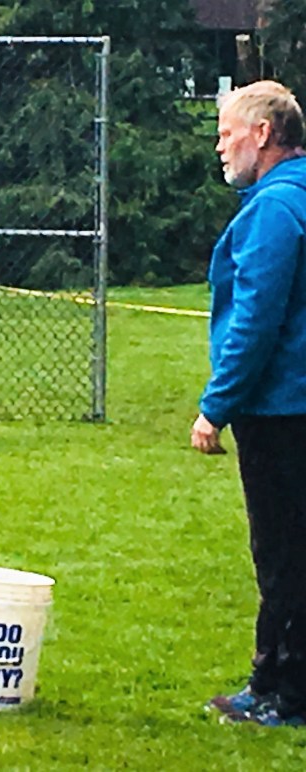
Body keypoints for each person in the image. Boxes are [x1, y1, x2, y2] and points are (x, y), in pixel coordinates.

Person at [193, 80, 306, 727]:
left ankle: (284, 693)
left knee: (283, 552)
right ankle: (273, 680)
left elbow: (257, 318)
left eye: (226, 133)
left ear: (263, 134)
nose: (219, 147)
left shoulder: (275, 209)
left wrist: (217, 405)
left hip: (281, 408)